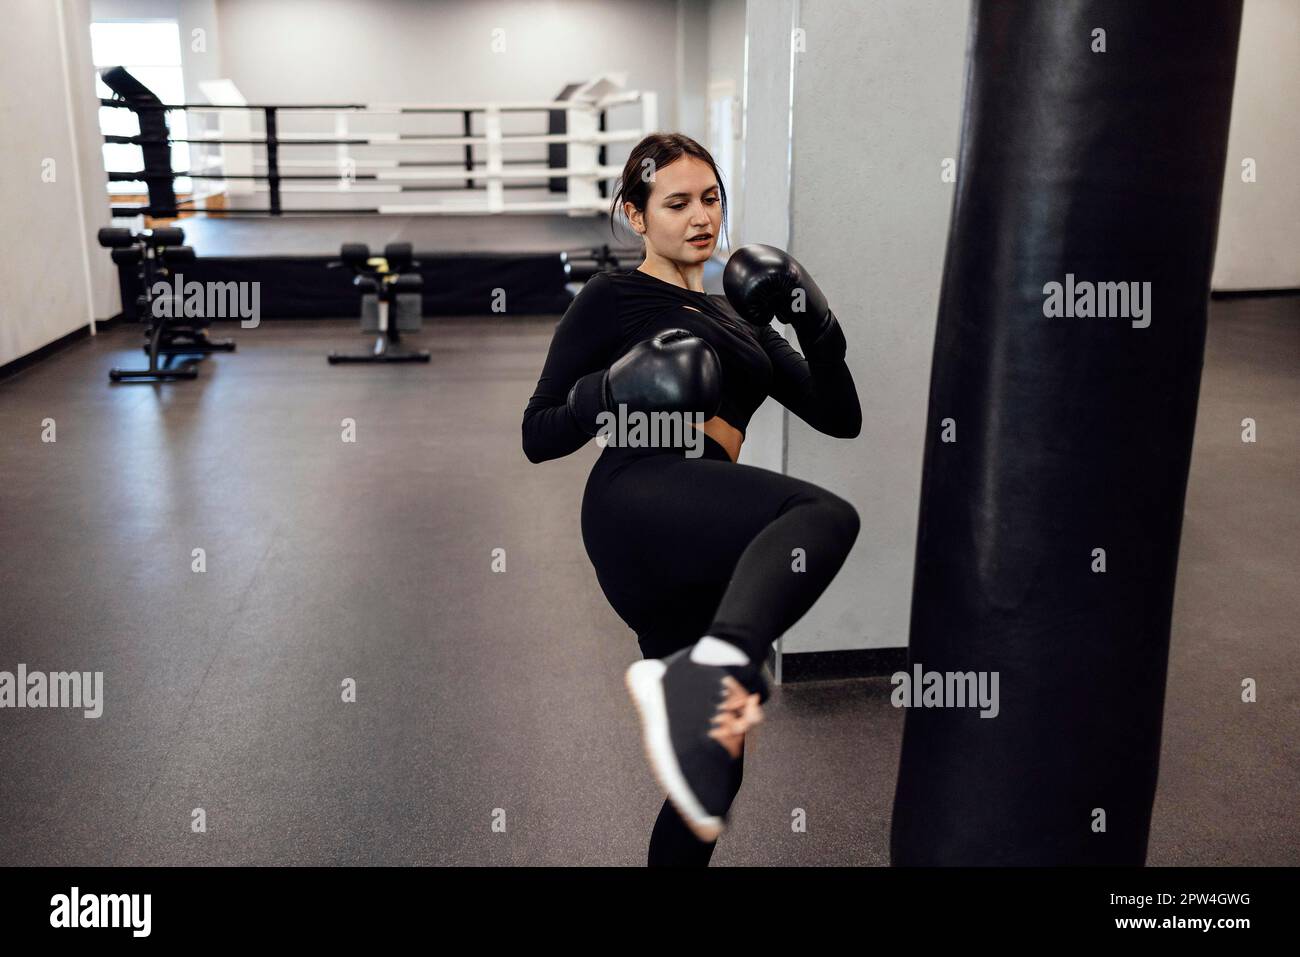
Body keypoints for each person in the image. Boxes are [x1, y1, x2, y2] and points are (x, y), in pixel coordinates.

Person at [521, 132, 862, 866]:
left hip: (704, 528)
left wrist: (816, 321)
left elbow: (841, 417)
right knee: (821, 516)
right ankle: (727, 661)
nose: (700, 217)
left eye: (711, 199)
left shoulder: (742, 316)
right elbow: (537, 433)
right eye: (676, 203)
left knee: (714, 771)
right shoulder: (614, 297)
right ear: (636, 216)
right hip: (637, 495)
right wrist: (606, 390)